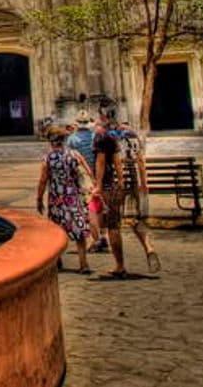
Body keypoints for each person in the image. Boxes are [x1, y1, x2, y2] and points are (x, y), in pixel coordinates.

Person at [36, 127, 92, 273]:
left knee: (57, 229)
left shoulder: (48, 158)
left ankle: (59, 261)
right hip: (73, 196)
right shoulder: (74, 154)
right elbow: (88, 171)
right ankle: (84, 264)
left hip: (56, 199)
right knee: (78, 227)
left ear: (51, 141)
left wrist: (39, 198)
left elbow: (43, 180)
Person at [117, 120, 161, 273]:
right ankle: (148, 247)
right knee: (137, 219)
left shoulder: (118, 142)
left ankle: (120, 264)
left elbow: (117, 163)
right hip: (135, 182)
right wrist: (144, 184)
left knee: (115, 222)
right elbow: (141, 162)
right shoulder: (136, 142)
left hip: (122, 184)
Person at [92, 106, 127, 278]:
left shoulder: (100, 137)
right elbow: (117, 162)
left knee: (111, 227)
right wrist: (120, 181)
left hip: (105, 186)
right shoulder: (113, 137)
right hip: (113, 185)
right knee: (114, 226)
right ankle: (119, 263)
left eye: (98, 117)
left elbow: (100, 162)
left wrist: (97, 186)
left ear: (103, 118)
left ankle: (119, 266)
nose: (96, 120)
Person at [66, 112, 103, 250]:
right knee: (98, 207)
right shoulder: (95, 137)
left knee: (89, 209)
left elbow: (70, 160)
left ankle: (96, 239)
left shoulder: (72, 139)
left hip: (82, 177)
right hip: (97, 174)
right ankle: (101, 235)